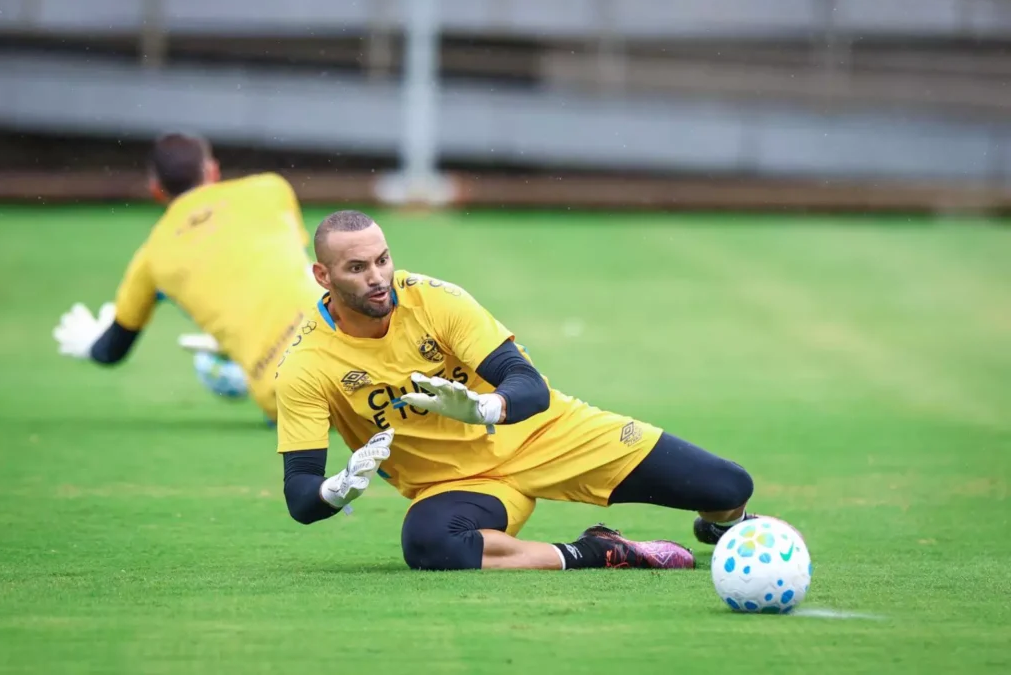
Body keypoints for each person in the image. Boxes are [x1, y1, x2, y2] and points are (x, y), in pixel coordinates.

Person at [275, 210, 757, 570]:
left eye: (382, 260)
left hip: (548, 434)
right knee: (428, 543)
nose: (378, 278)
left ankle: (722, 526)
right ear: (323, 276)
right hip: (459, 486)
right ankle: (598, 551)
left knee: (729, 487)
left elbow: (529, 387)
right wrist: (335, 490)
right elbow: (300, 496)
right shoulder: (306, 365)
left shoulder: (435, 300)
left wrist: (483, 408)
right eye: (357, 268)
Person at [52, 133, 321, 422]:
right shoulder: (270, 189)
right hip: (341, 344)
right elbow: (298, 271)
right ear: (212, 170)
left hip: (282, 392)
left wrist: (91, 345)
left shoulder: (152, 257)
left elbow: (111, 351)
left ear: (156, 190)